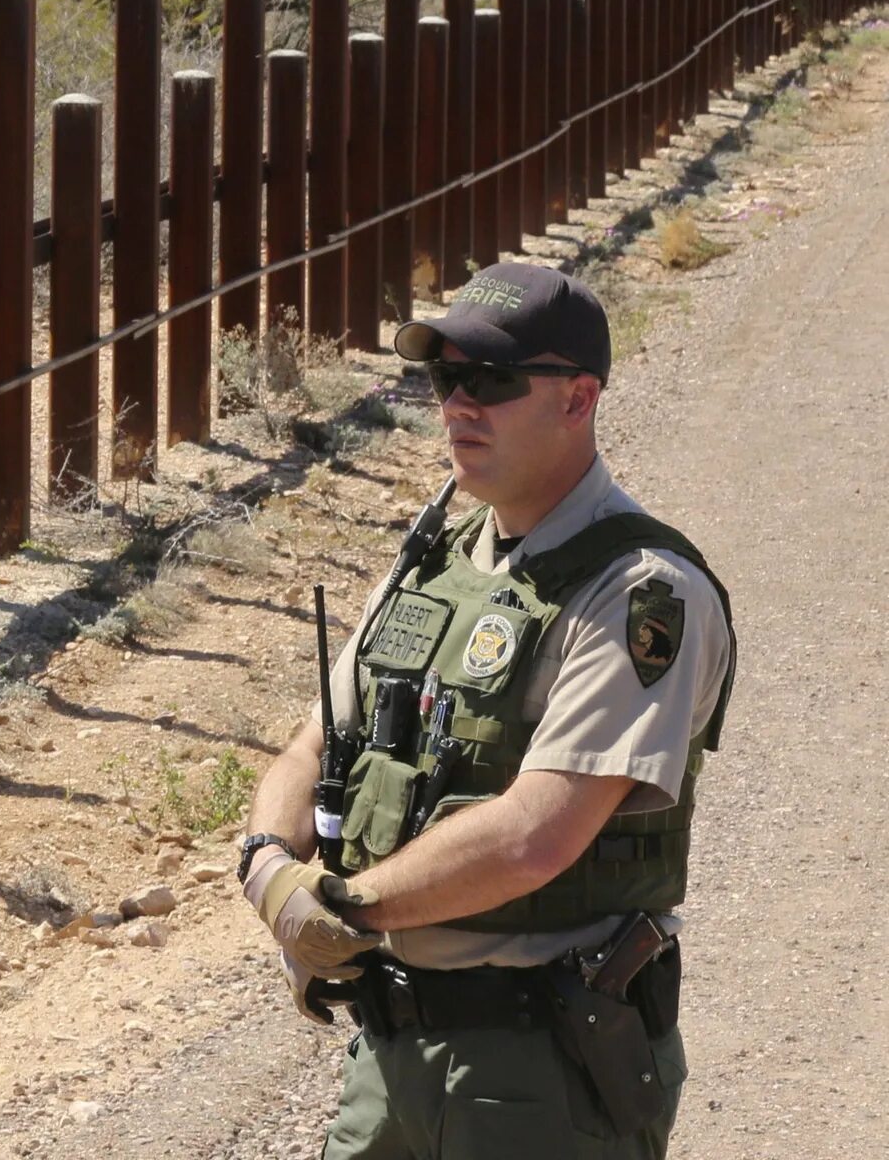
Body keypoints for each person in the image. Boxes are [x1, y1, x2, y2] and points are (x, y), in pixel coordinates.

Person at [236, 261, 737, 1158]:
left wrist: (340, 910)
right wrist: (271, 868)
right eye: (445, 378)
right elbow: (315, 742)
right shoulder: (439, 561)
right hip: (391, 1056)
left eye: (494, 380)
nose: (460, 405)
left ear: (579, 400)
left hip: (544, 1071)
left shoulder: (641, 593)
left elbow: (534, 836)